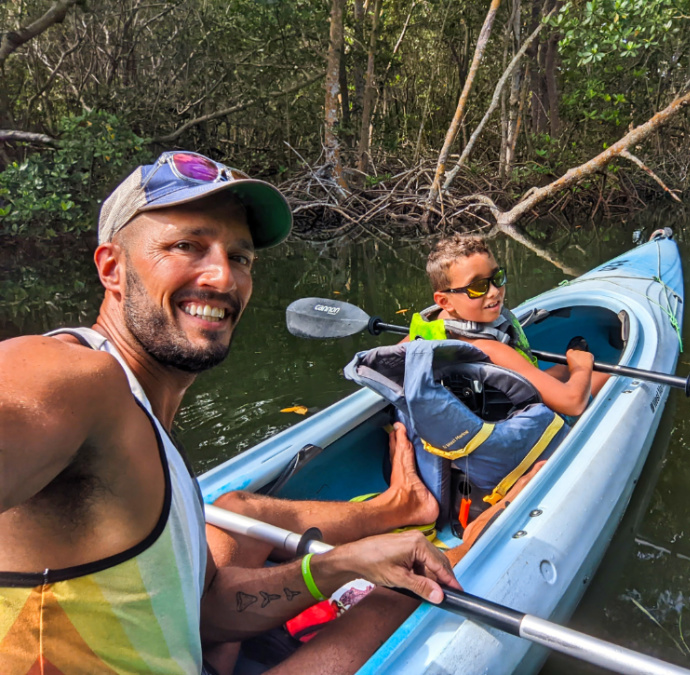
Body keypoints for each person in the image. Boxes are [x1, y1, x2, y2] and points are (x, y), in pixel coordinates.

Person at [0, 151, 457, 675]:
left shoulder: (144, 412)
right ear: (112, 268)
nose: (222, 277)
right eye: (186, 246)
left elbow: (204, 613)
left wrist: (343, 563)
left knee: (384, 574)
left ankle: (398, 513)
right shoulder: (77, 378)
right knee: (417, 596)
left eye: (239, 257)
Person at [410, 234, 610, 417]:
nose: (494, 292)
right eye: (477, 287)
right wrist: (581, 368)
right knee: (604, 377)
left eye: (497, 278)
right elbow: (572, 404)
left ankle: (566, 365)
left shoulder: (429, 325)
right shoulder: (491, 348)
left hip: (473, 408)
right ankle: (578, 364)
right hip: (510, 420)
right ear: (445, 301)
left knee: (559, 369)